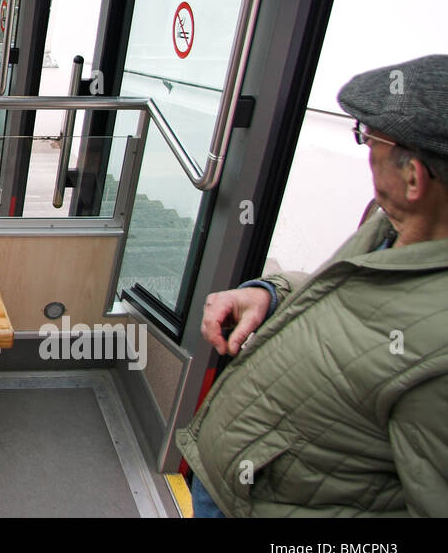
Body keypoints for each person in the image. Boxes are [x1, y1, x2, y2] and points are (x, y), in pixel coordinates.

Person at [178, 54, 448, 516]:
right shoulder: (388, 225)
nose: (366, 152)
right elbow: (342, 293)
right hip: (234, 486)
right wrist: (271, 292)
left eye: (369, 139)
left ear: (413, 176)